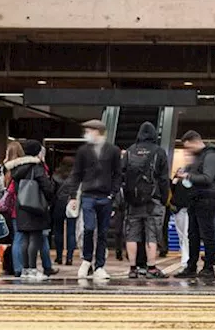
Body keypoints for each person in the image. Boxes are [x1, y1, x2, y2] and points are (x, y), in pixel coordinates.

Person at [69, 119, 122, 281]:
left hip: (105, 196)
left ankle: (99, 265)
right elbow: (76, 173)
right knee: (89, 228)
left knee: (103, 232)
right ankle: (86, 259)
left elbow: (117, 173)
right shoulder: (83, 151)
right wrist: (72, 196)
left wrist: (112, 194)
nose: (86, 134)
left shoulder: (113, 150)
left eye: (89, 130)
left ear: (98, 131)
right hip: (88, 195)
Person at [122, 122, 170, 279]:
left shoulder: (130, 151)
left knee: (132, 234)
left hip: (132, 200)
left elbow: (122, 174)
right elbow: (163, 179)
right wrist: (164, 198)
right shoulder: (159, 152)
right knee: (152, 234)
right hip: (152, 200)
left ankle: (133, 268)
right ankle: (151, 267)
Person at [6, 140, 56, 280]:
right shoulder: (36, 167)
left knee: (25, 239)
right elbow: (47, 187)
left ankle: (25, 270)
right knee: (35, 238)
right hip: (35, 206)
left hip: (21, 206)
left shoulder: (17, 168)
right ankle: (33, 269)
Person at [175, 130, 215, 280]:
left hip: (207, 198)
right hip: (194, 198)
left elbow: (208, 178)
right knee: (192, 234)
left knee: (206, 234)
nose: (188, 151)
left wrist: (187, 175)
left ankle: (209, 267)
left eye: (189, 147)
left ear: (195, 141)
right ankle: (191, 265)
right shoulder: (199, 157)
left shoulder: (211, 155)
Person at [51, 156, 78, 266]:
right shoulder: (76, 176)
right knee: (71, 232)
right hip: (72, 203)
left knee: (58, 231)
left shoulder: (56, 176)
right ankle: (69, 257)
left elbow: (52, 191)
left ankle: (58, 256)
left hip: (59, 203)